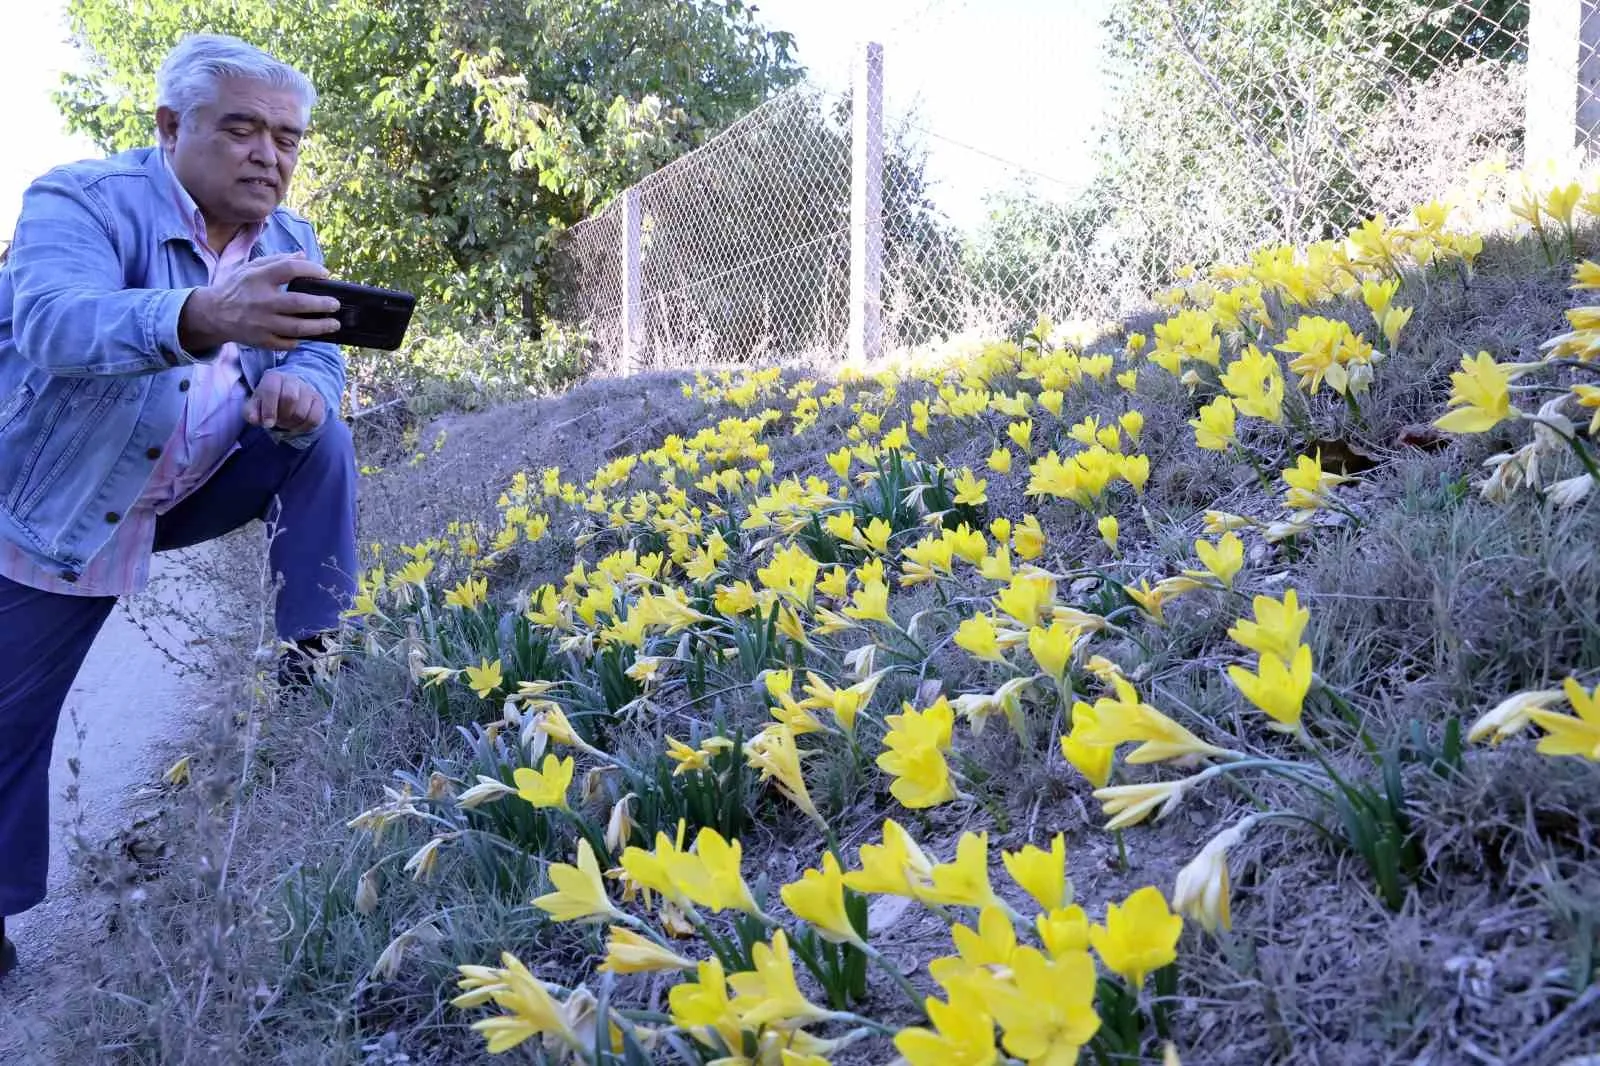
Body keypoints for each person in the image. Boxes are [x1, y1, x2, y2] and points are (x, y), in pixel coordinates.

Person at [0, 34, 358, 980]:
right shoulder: (79, 199)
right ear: (170, 128)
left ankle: (310, 656)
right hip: (62, 508)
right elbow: (52, 321)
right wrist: (200, 315)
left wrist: (304, 389)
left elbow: (319, 349)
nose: (267, 156)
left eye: (286, 138)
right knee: (9, 723)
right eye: (241, 129)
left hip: (190, 486)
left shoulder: (290, 240)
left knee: (321, 436)